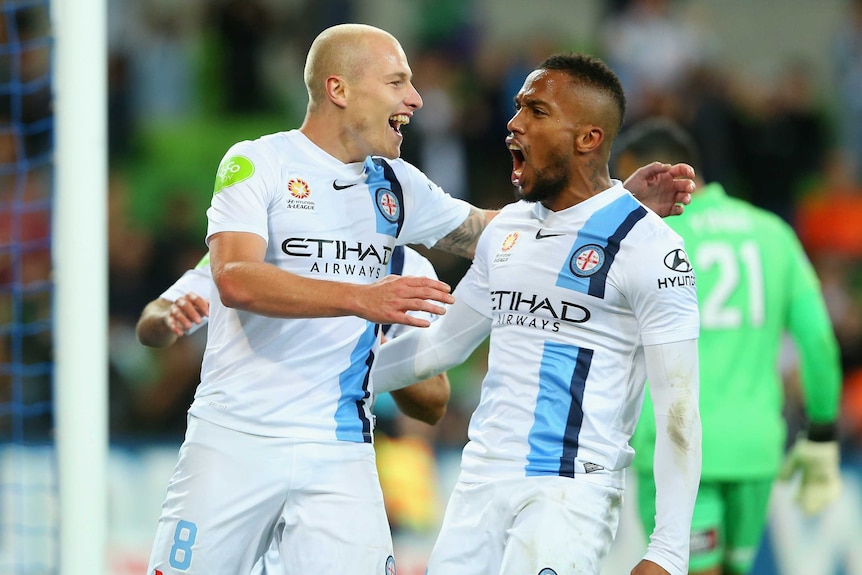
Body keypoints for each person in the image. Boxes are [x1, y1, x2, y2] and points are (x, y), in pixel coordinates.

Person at [144, 23, 695, 575]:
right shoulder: (258, 162)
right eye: (397, 82)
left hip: (342, 445)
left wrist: (615, 204)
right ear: (340, 90)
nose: (415, 98)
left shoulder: (397, 185)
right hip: (236, 437)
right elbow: (236, 279)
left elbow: (504, 231)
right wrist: (364, 299)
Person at [372, 53, 702, 575]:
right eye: (518, 107)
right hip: (477, 481)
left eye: (536, 111)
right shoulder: (507, 231)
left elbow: (678, 407)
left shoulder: (651, 248)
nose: (514, 122)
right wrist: (341, 378)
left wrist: (668, 550)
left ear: (588, 138)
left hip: (567, 490)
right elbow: (441, 346)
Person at [612, 118, 843, 575]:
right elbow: (817, 338)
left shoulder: (650, 236)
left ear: (651, 173)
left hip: (674, 446)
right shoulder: (772, 232)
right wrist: (822, 432)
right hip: (756, 449)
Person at [137, 246, 450, 574]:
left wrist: (370, 341)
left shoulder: (407, 268)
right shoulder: (264, 239)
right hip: (240, 444)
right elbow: (151, 321)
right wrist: (169, 317)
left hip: (335, 453)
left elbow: (434, 400)